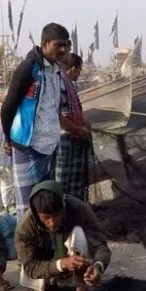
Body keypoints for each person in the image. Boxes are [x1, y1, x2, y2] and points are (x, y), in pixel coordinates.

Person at [0, 23, 75, 220]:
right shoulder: (29, 68)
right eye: (59, 45)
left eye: (66, 45)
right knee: (27, 207)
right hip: (27, 146)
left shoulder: (57, 71)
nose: (63, 50)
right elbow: (8, 106)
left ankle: (48, 246)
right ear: (45, 44)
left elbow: (54, 105)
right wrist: (7, 138)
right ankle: (27, 247)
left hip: (48, 147)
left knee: (47, 202)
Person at [16, 180, 111, 291]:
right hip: (46, 259)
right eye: (46, 217)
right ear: (37, 214)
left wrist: (97, 267)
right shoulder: (25, 226)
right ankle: (45, 285)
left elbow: (101, 247)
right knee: (28, 259)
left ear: (63, 207)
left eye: (56, 215)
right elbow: (30, 266)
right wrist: (62, 264)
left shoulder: (79, 209)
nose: (52, 222)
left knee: (79, 233)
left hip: (74, 256)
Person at [55, 53, 91, 201]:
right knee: (62, 182)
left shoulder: (70, 84)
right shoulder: (61, 82)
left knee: (75, 182)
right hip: (64, 138)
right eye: (80, 70)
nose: (80, 73)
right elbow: (59, 116)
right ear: (74, 68)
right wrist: (78, 130)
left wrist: (84, 124)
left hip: (74, 137)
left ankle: (74, 212)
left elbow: (73, 112)